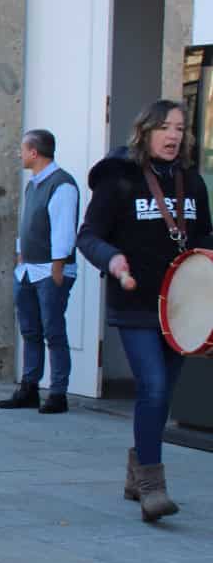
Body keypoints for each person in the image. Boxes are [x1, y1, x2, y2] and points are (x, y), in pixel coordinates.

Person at [78, 99, 212, 523]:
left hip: (180, 306)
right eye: (165, 127)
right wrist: (114, 261)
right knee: (153, 387)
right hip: (135, 302)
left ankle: (138, 471)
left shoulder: (192, 181)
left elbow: (204, 231)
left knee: (164, 393)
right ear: (145, 131)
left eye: (179, 128)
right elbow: (89, 236)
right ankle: (153, 486)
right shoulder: (119, 180)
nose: (174, 135)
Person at [0, 128, 79, 415]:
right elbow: (27, 223)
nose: (19, 155)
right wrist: (21, 257)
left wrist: (58, 268)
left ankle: (58, 393)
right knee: (30, 330)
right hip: (29, 270)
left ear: (34, 152)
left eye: (22, 149)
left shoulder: (62, 184)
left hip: (50, 271)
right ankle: (29, 387)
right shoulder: (33, 184)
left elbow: (64, 230)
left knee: (53, 332)